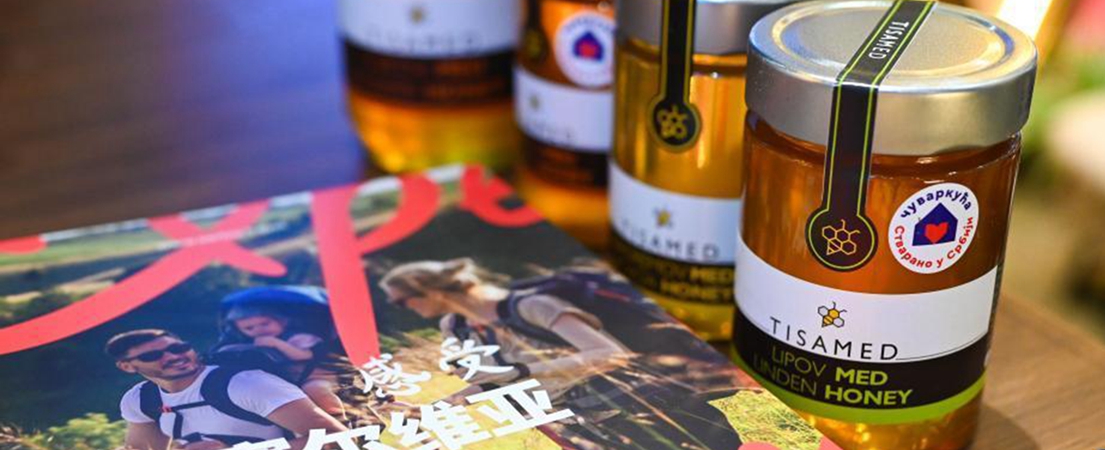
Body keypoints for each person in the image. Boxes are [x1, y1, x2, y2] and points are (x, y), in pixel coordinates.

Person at [379, 258, 745, 449]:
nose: (404, 308)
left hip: (639, 410)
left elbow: (609, 353)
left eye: (402, 300)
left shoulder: (531, 306)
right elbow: (494, 382)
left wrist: (522, 370)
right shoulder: (455, 327)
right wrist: (433, 409)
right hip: (583, 428)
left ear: (429, 289)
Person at [107, 329, 345, 449]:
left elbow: (336, 438)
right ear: (127, 366)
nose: (173, 357)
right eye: (152, 355)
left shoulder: (246, 385)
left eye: (179, 348)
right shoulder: (141, 400)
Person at [229, 308, 342, 415]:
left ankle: (339, 417)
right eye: (249, 328)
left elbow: (305, 355)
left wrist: (277, 343)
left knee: (315, 390)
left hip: (318, 376)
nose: (259, 330)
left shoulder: (299, 338)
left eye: (265, 324)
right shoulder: (251, 343)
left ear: (282, 321)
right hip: (287, 382)